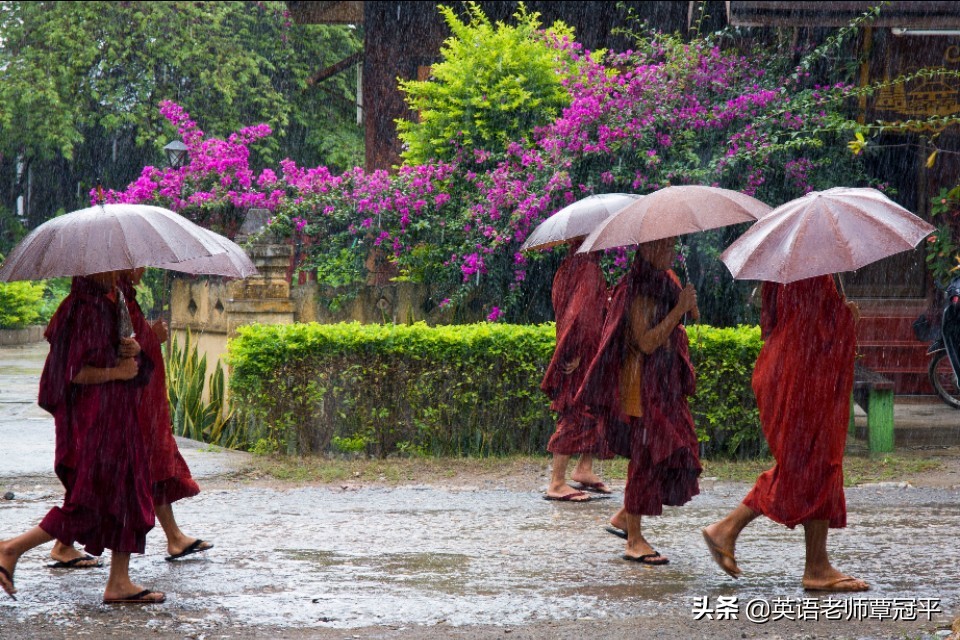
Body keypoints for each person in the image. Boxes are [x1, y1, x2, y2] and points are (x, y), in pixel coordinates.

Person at [0, 271, 163, 603]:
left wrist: (134, 348)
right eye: (111, 267)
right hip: (95, 423)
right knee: (87, 503)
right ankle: (11, 548)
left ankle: (119, 581)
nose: (118, 272)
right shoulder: (83, 309)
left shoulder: (111, 302)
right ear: (91, 269)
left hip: (117, 416)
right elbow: (73, 373)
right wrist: (117, 371)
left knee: (127, 495)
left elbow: (118, 358)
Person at [701, 275, 869, 592]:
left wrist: (839, 313)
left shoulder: (787, 273)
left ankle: (813, 562)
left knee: (814, 465)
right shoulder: (812, 273)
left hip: (789, 368)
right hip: (802, 377)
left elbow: (783, 321)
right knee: (815, 464)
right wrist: (845, 318)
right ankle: (809, 564)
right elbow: (814, 330)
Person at [50, 268, 212, 566]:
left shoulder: (120, 296)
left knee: (149, 467)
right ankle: (41, 546)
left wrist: (146, 339)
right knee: (100, 479)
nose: (142, 269)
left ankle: (170, 538)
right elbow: (92, 360)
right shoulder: (93, 303)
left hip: (137, 397)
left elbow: (127, 342)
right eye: (136, 263)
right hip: (116, 404)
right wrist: (150, 340)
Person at [577, 237, 701, 564]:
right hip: (643, 388)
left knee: (678, 449)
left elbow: (684, 319)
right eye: (666, 247)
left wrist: (686, 304)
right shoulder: (638, 289)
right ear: (647, 249)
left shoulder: (664, 281)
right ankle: (634, 540)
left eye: (674, 246)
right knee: (646, 458)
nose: (672, 253)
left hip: (665, 385)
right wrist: (678, 310)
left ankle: (624, 517)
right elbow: (646, 343)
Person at [541, 238, 611, 501]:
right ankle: (557, 482)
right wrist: (579, 349)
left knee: (593, 410)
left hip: (574, 348)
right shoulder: (589, 269)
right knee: (575, 412)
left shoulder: (568, 266)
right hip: (583, 354)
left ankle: (584, 468)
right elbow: (582, 314)